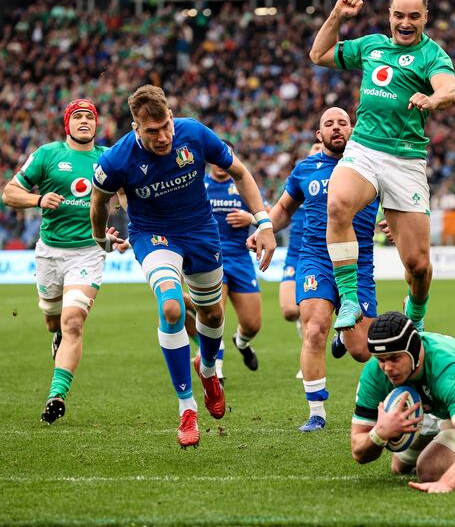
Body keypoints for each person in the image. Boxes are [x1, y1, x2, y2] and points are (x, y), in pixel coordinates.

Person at [90, 85, 276, 447]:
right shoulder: (116, 159)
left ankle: (207, 371)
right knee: (172, 306)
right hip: (154, 235)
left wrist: (263, 223)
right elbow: (99, 203)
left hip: (201, 232)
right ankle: (186, 408)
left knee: (212, 315)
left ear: (172, 118)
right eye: (151, 131)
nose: (162, 137)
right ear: (135, 128)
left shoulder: (193, 133)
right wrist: (101, 239)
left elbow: (240, 172)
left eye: (165, 127)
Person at [309, 0, 455, 332]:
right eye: (399, 15)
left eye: (414, 16)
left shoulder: (431, 55)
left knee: (418, 265)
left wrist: (433, 100)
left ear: (425, 17)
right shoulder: (371, 46)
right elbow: (318, 54)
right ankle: (349, 298)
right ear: (389, 14)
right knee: (339, 204)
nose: (406, 23)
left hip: (406, 160)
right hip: (364, 149)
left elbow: (449, 90)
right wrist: (337, 17)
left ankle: (416, 312)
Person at [254, 107, 376, 432]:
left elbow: (394, 204)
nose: (337, 128)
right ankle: (317, 412)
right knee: (314, 328)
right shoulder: (305, 169)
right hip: (315, 259)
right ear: (318, 135)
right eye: (329, 124)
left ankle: (345, 334)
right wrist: (265, 228)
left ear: (353, 130)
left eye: (343, 123)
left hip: (357, 262)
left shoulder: (370, 166)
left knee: (362, 351)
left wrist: (393, 223)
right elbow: (282, 209)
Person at [2, 99, 122, 424]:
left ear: (97, 125)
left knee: (73, 322)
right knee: (54, 323)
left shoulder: (109, 158)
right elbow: (9, 193)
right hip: (49, 253)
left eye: (89, 117)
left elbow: (127, 199)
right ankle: (56, 336)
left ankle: (56, 394)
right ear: (67, 124)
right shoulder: (47, 154)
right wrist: (38, 199)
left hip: (89, 251)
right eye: (78, 117)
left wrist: (126, 229)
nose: (84, 121)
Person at [351, 311, 455, 493]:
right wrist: (379, 434)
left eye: (395, 358)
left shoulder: (447, 368)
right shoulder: (374, 373)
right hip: (432, 405)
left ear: (414, 350)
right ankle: (439, 438)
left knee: (430, 470)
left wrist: (448, 483)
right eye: (381, 359)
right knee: (399, 468)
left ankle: (444, 441)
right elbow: (358, 450)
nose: (387, 368)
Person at [181, 139, 262, 385]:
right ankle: (216, 369)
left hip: (241, 258)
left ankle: (242, 341)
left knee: (252, 324)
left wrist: (250, 217)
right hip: (210, 258)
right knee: (217, 315)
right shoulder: (199, 185)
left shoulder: (242, 184)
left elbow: (267, 215)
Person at [282, 141, 322, 380]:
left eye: (321, 148)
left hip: (323, 253)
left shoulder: (337, 179)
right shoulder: (299, 179)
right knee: (289, 310)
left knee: (317, 311)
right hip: (296, 251)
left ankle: (308, 357)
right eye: (313, 149)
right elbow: (281, 209)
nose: (318, 151)